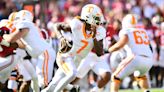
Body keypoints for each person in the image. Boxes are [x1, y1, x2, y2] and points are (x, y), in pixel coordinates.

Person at [42, 4, 104, 92]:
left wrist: (94, 37)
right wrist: (61, 38)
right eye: (96, 18)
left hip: (77, 60)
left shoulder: (99, 31)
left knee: (52, 86)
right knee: (72, 74)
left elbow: (99, 52)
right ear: (87, 17)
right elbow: (57, 26)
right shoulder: (77, 24)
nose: (98, 22)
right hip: (66, 56)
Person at [108, 14, 153, 92]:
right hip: (149, 59)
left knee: (115, 77)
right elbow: (149, 46)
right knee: (141, 76)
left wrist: (108, 50)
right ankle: (146, 90)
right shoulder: (143, 31)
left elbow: (120, 45)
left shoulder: (126, 31)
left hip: (136, 57)